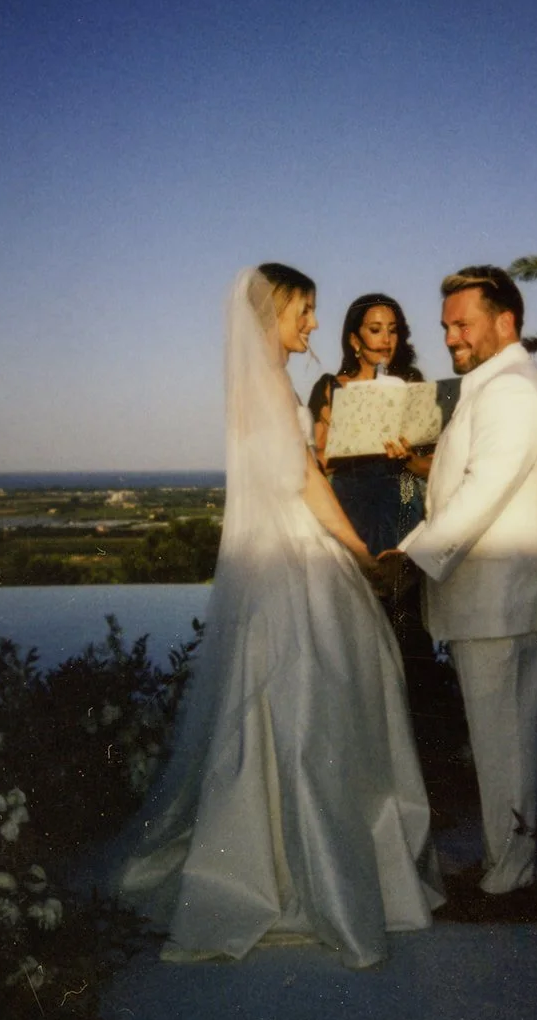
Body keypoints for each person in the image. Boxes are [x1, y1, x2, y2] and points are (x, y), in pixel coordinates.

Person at [120, 264, 442, 969]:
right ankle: (317, 878)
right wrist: (360, 553)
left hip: (271, 555)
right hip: (294, 555)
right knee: (316, 709)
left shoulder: (264, 383)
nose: (314, 324)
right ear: (275, 313)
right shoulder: (269, 384)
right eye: (306, 310)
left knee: (285, 709)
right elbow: (303, 478)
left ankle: (276, 860)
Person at [380, 266, 537, 923]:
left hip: (501, 601)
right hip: (497, 600)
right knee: (501, 746)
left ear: (505, 322)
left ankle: (510, 888)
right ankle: (503, 871)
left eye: (463, 324)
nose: (451, 337)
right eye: (446, 327)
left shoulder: (511, 390)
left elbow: (482, 492)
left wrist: (408, 560)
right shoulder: (496, 386)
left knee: (504, 746)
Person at [308, 293, 430, 556]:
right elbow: (314, 460)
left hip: (402, 499)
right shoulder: (331, 388)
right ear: (354, 340)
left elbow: (432, 464)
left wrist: (407, 457)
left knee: (400, 583)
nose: (386, 340)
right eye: (375, 330)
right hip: (349, 504)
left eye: (393, 331)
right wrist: (351, 445)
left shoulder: (412, 385)